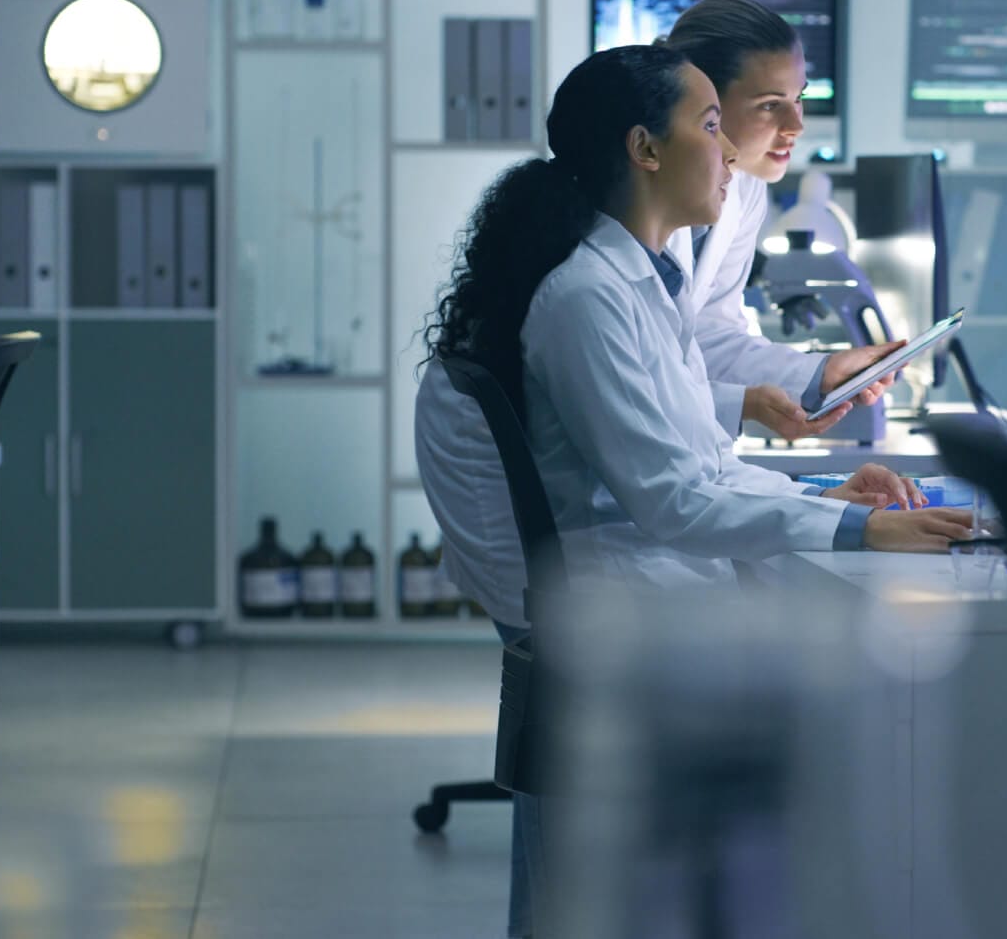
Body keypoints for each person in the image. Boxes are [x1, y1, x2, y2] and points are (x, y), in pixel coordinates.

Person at [414, 45, 972, 938]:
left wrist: (841, 502)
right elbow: (674, 498)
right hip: (636, 605)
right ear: (645, 148)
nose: (731, 153)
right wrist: (858, 531)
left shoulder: (639, 283)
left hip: (651, 585)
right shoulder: (586, 299)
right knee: (894, 691)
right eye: (712, 125)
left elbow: (699, 464)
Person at [662, 0, 898, 441]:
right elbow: (640, 388)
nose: (796, 125)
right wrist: (745, 405)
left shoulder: (745, 188)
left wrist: (821, 372)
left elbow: (709, 336)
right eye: (771, 104)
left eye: (799, 98)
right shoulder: (626, 213)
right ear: (701, 103)